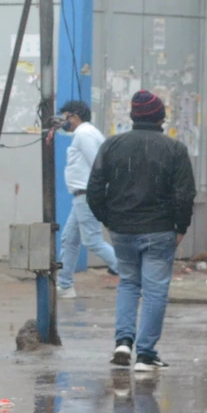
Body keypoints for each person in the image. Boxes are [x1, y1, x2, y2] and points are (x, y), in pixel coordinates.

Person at [85, 90, 196, 372]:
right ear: (160, 117)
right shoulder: (174, 149)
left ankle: (123, 342)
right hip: (160, 230)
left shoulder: (112, 145)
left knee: (128, 284)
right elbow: (185, 194)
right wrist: (180, 227)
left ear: (133, 117)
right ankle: (145, 355)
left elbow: (95, 189)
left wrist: (108, 219)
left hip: (122, 229)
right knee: (155, 291)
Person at [54, 99, 119, 299]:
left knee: (92, 240)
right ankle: (65, 285)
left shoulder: (84, 134)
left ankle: (130, 272)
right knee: (69, 239)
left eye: (65, 116)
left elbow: (97, 164)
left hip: (86, 195)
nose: (63, 121)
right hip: (81, 196)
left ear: (74, 116)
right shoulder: (87, 133)